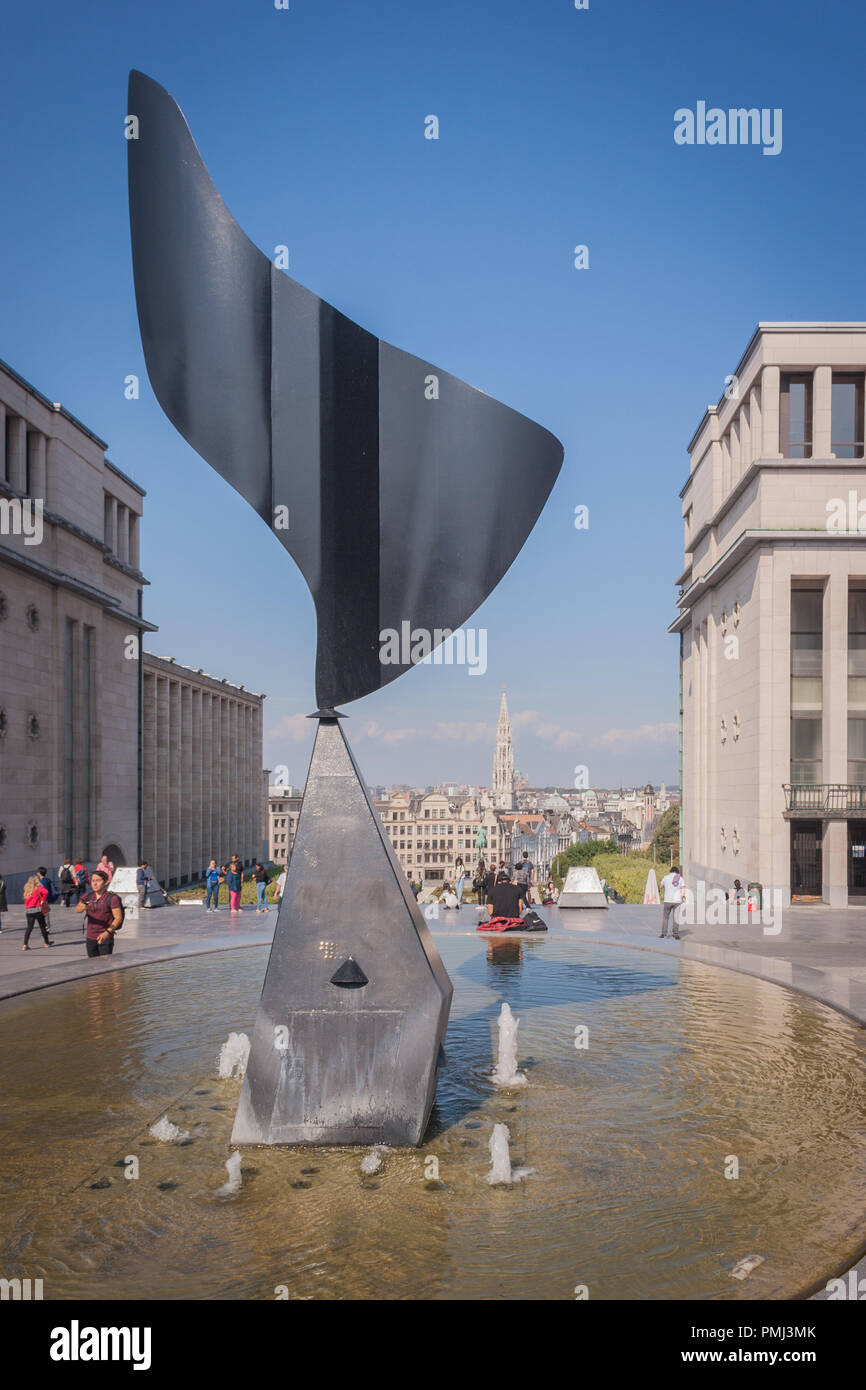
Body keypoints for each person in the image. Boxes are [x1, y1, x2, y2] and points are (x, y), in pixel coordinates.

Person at [76, 869, 123, 957]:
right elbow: (77, 909)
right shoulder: (88, 896)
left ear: (105, 882)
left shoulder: (112, 898)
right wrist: (84, 907)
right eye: (93, 880)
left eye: (98, 880)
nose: (94, 883)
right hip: (90, 937)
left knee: (105, 966)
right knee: (93, 966)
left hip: (105, 937)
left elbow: (118, 918)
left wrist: (107, 933)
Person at [22, 873, 53, 950]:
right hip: (38, 910)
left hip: (29, 911)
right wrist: (43, 900)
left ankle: (25, 945)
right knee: (42, 926)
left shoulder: (27, 889)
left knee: (29, 928)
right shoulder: (38, 888)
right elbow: (46, 892)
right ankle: (46, 943)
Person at [659, 865, 684, 939]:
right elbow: (683, 888)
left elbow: (661, 886)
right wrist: (683, 896)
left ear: (670, 871)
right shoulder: (680, 878)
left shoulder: (665, 877)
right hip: (677, 901)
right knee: (676, 918)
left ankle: (663, 934)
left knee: (665, 917)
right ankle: (675, 934)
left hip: (667, 900)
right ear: (677, 872)